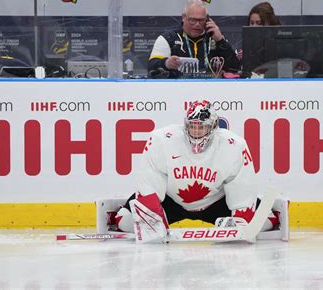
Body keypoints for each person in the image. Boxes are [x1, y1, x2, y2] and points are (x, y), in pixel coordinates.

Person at [115, 100, 280, 238]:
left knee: (267, 220)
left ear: (214, 126)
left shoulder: (234, 145)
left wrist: (241, 221)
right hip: (172, 201)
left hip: (216, 202)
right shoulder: (161, 140)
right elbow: (149, 179)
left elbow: (242, 184)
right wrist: (151, 216)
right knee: (124, 221)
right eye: (192, 126)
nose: (196, 131)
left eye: (202, 127)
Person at [148, 0, 240, 79]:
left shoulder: (215, 39)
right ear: (183, 18)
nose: (197, 24)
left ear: (207, 20)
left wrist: (220, 40)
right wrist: (166, 63)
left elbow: (235, 69)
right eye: (192, 20)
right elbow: (151, 67)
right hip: (176, 90)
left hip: (211, 90)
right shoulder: (168, 38)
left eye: (201, 20)